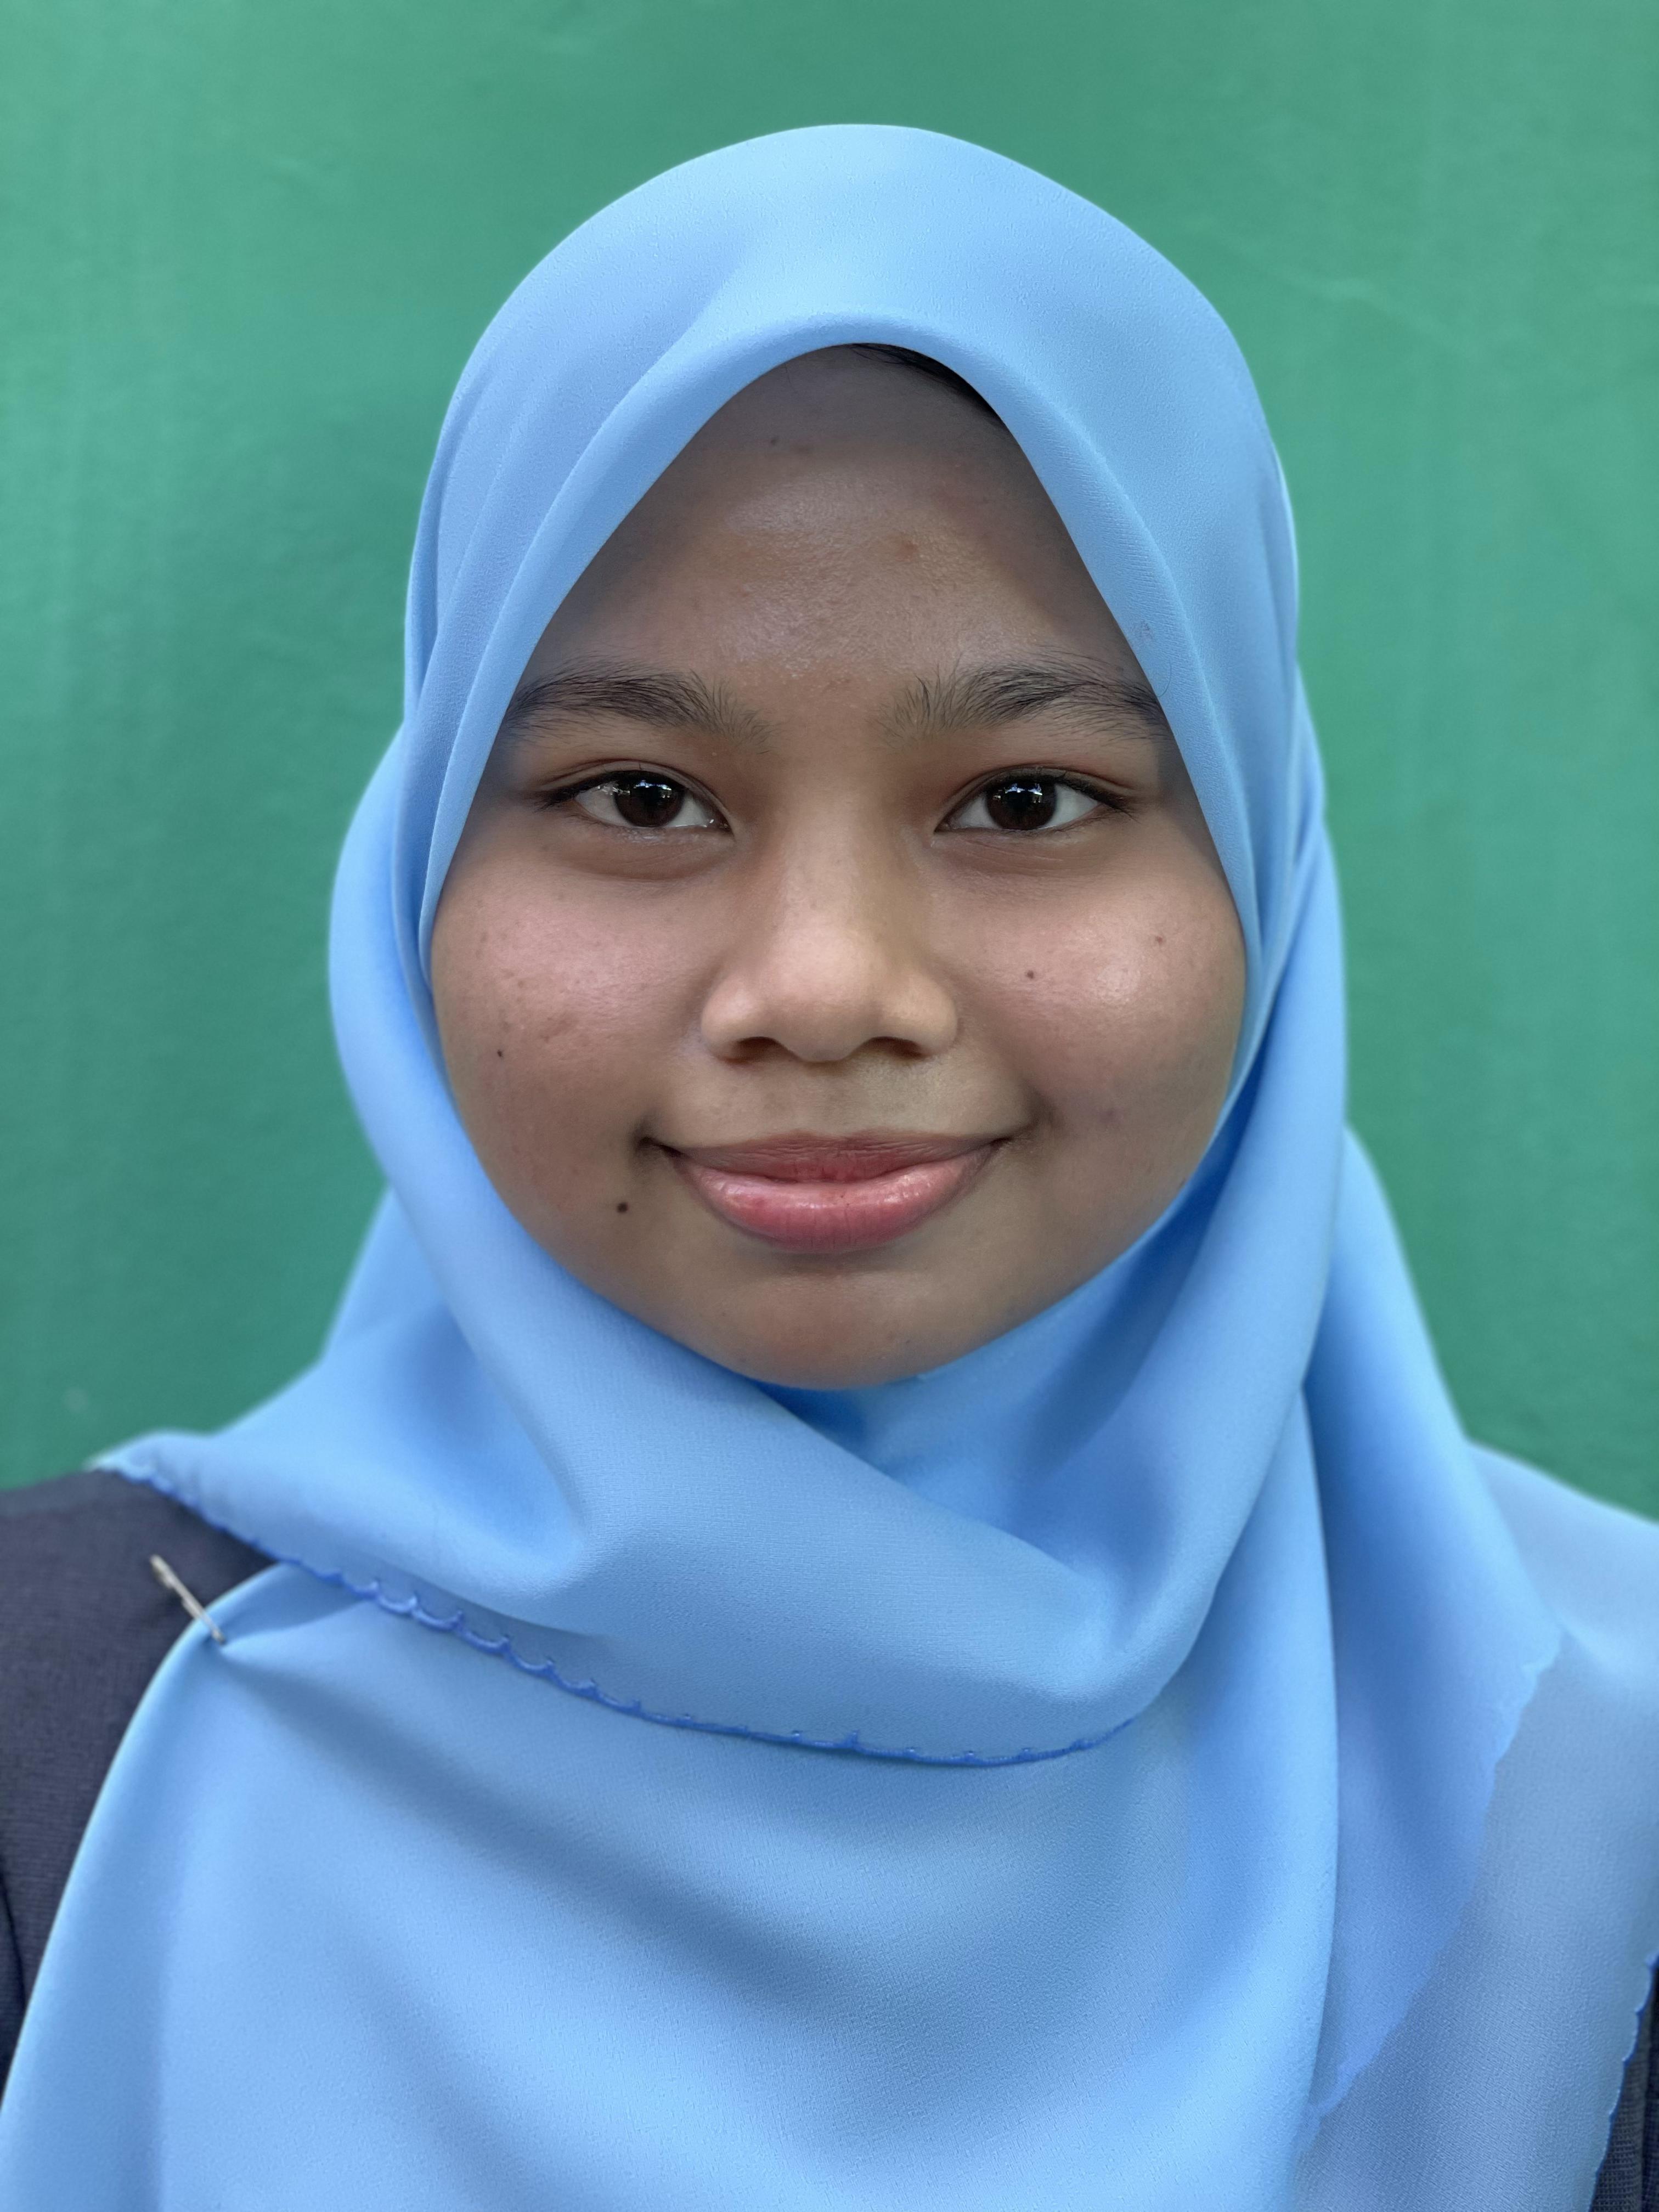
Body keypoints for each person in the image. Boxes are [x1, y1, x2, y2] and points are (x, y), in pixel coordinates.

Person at [0, 125, 1655, 2210]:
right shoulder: (60, 1728)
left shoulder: (1613, 1788)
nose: (824, 988)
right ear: (419, 868)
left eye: (1028, 800)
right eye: (641, 795)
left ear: (1258, 862)